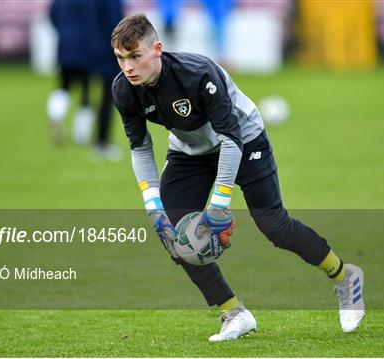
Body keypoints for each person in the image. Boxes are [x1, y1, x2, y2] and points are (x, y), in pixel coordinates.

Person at [110, 14, 365, 342]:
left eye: (135, 56)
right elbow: (140, 148)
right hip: (190, 152)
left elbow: (231, 137)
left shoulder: (198, 73)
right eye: (120, 58)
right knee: (175, 236)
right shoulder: (123, 90)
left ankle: (344, 277)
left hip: (244, 139)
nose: (127, 66)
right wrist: (152, 205)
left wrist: (218, 204)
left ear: (157, 49)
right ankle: (233, 313)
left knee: (275, 226)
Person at [47, 0, 123, 161]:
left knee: (66, 86)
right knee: (104, 92)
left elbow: (52, 15)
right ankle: (97, 140)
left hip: (67, 45)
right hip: (99, 46)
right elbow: (114, 19)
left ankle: (56, 113)